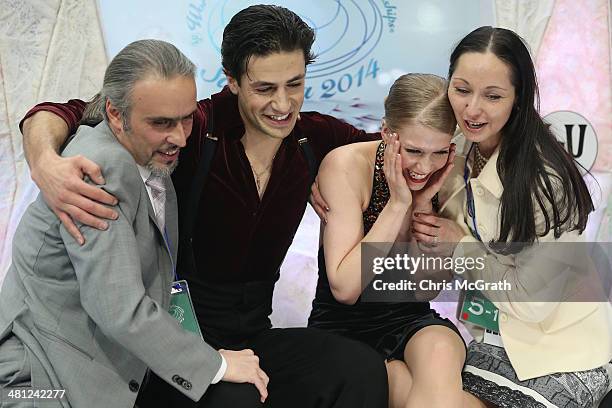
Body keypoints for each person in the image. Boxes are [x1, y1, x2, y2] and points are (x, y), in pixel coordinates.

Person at [17, 5, 388, 408]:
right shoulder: (189, 129)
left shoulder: (312, 138)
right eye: (265, 88)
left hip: (254, 334)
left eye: (295, 84)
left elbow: (401, 152)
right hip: (174, 334)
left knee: (361, 369)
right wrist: (44, 161)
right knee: (238, 399)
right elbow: (71, 112)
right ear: (232, 80)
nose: (283, 104)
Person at [0, 39, 269, 408]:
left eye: (187, 118)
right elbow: (118, 308)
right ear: (114, 114)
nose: (180, 137)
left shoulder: (146, 154)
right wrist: (217, 364)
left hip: (102, 364)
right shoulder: (100, 169)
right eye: (161, 123)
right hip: (37, 380)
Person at [409, 26, 612, 407]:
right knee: (402, 383)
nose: (472, 109)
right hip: (488, 335)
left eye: (493, 96)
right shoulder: (453, 151)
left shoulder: (545, 179)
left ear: (518, 99)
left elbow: (533, 304)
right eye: (462, 89)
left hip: (557, 350)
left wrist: (459, 246)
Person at [308, 73, 467, 407]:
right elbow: (345, 289)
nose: (425, 166)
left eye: (439, 152)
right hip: (340, 327)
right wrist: (398, 205)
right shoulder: (347, 166)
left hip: (411, 319)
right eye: (413, 150)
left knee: (441, 350)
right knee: (401, 383)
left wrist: (423, 208)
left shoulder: (450, 174)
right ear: (386, 133)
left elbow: (425, 290)